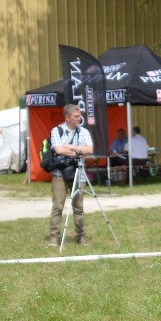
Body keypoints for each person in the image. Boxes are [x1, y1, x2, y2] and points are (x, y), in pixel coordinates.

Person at [47, 104, 93, 245]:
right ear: (67, 117)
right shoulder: (57, 130)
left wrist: (71, 147)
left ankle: (81, 236)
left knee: (78, 207)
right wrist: (79, 151)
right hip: (60, 173)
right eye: (76, 116)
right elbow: (59, 150)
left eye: (79, 116)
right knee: (58, 206)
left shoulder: (84, 131)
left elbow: (89, 149)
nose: (79, 119)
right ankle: (54, 237)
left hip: (78, 173)